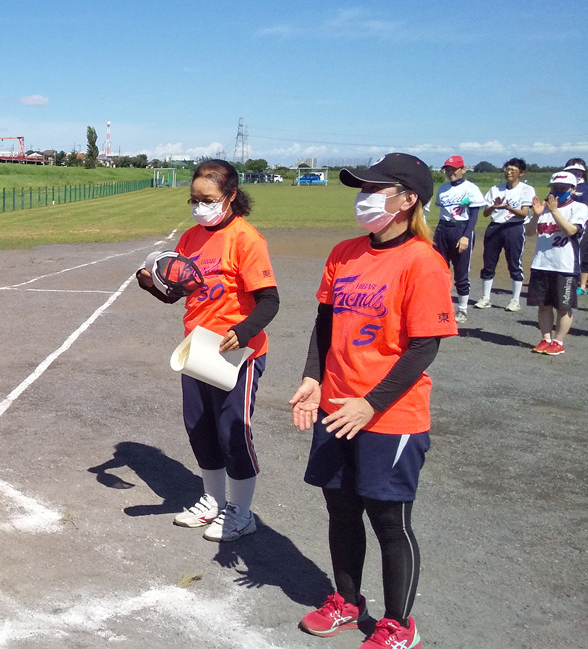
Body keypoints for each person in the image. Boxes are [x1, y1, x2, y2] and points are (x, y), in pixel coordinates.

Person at [290, 153, 456, 649]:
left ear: (408, 200)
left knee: (388, 519)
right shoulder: (344, 253)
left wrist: (371, 403)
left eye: (374, 189)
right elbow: (325, 323)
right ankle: (347, 601)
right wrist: (312, 378)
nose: (363, 198)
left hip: (391, 414)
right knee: (340, 509)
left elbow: (424, 346)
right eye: (361, 188)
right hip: (336, 407)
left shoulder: (423, 262)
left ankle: (399, 625)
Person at [135, 159, 279, 542]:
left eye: (209, 199)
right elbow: (175, 295)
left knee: (233, 428)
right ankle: (212, 501)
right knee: (199, 427)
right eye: (194, 199)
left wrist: (243, 331)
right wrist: (149, 283)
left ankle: (241, 512)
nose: (200, 206)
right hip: (197, 347)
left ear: (231, 196)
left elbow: (269, 301)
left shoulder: (246, 239)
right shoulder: (190, 238)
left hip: (237, 352)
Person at [526, 171, 588, 355]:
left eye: (562, 189)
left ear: (573, 189)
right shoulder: (544, 208)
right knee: (543, 305)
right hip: (541, 264)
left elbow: (570, 230)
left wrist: (554, 211)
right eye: (554, 188)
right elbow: (529, 232)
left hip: (565, 266)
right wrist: (537, 215)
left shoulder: (579, 208)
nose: (557, 192)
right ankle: (546, 339)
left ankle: (559, 342)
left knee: (563, 307)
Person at [432, 155, 487, 324]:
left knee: (461, 272)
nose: (450, 172)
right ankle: (441, 307)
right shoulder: (442, 189)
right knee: (439, 270)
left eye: (454, 169)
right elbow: (443, 211)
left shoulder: (471, 188)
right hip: (443, 229)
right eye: (448, 169)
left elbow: (474, 214)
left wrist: (465, 236)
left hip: (461, 228)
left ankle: (462, 310)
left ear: (462, 169)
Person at [476, 158, 536, 311]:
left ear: (520, 173)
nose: (508, 173)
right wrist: (494, 206)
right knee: (488, 262)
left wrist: (508, 208)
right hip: (495, 227)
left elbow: (523, 213)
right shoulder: (496, 189)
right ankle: (485, 297)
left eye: (513, 171)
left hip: (514, 228)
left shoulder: (526, 189)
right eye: (507, 170)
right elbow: (485, 213)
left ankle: (515, 300)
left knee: (514, 263)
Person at [563, 160, 588, 295]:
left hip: (583, 226)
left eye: (577, 171)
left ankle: (582, 285)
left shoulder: (585, 188)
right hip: (564, 226)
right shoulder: (563, 186)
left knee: (583, 255)